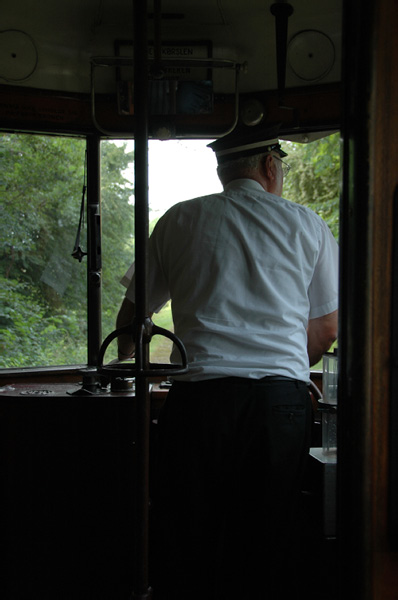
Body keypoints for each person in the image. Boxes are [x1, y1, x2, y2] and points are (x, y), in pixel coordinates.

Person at [116, 125, 339, 599]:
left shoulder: (180, 219)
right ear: (270, 166)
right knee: (268, 533)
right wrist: (286, 370)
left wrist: (122, 364)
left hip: (200, 404)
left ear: (222, 170)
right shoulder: (307, 224)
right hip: (280, 407)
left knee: (190, 533)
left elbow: (135, 315)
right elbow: (324, 330)